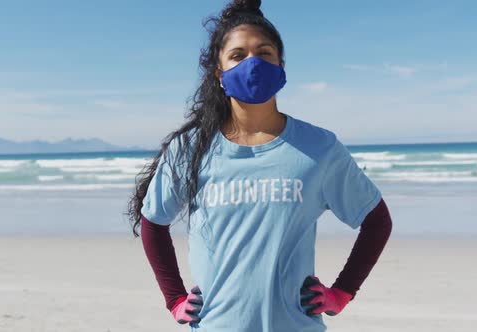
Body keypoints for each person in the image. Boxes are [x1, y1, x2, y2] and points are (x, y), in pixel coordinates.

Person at [127, 1, 393, 331]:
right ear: (220, 74)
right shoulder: (190, 149)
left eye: (264, 53)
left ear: (281, 66)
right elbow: (153, 222)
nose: (253, 63)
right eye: (238, 55)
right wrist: (175, 299)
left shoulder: (318, 148)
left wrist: (341, 293)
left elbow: (376, 221)